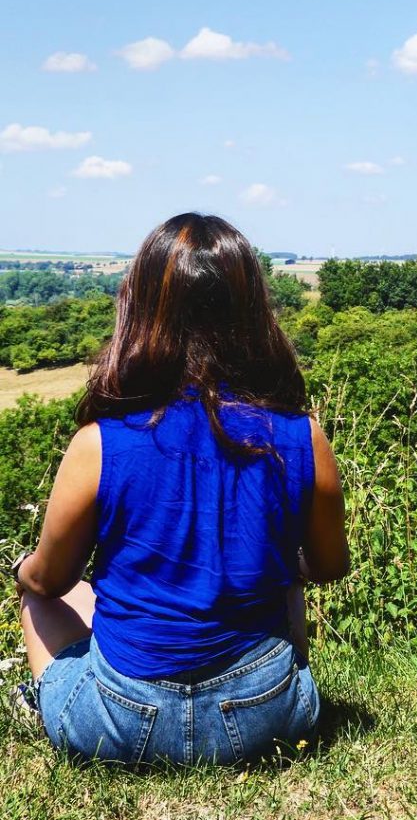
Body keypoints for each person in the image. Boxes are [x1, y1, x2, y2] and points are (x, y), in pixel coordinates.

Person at [10, 213, 350, 765]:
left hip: (121, 724)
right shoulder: (301, 437)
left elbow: (50, 578)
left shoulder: (99, 444)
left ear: (139, 310)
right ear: (254, 312)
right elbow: (330, 565)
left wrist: (21, 569)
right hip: (269, 717)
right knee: (287, 576)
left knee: (43, 595)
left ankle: (49, 701)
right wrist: (284, 570)